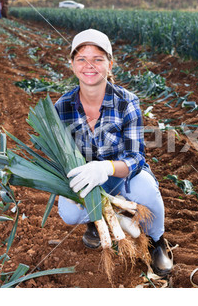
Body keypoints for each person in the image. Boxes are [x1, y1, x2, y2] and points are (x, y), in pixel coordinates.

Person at [54, 29, 173, 276]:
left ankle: (157, 241)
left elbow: (136, 157)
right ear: (72, 65)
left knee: (148, 192)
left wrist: (106, 168)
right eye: (82, 59)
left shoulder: (126, 101)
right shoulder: (61, 107)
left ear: (110, 64)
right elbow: (58, 157)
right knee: (68, 212)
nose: (90, 66)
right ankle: (94, 223)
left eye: (98, 59)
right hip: (86, 182)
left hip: (122, 175)